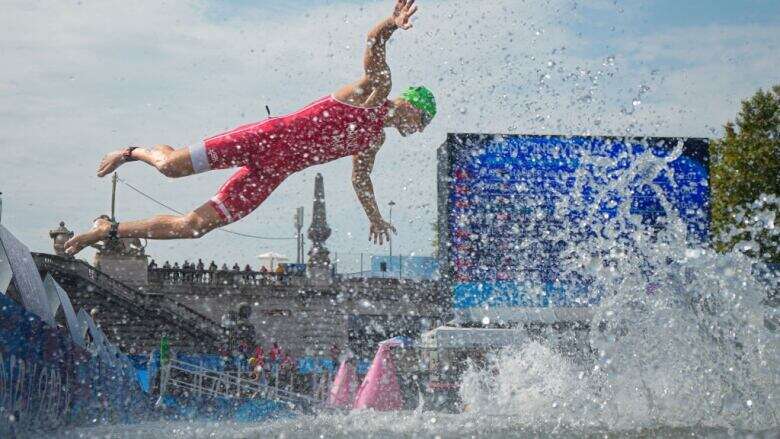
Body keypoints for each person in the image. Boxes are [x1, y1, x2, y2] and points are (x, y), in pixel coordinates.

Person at [64, 0, 434, 256]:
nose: (419, 129)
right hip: (264, 139)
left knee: (195, 227)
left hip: (275, 172)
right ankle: (132, 152)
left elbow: (361, 180)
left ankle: (107, 229)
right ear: (411, 104)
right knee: (169, 168)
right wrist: (392, 23)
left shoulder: (374, 139)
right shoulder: (376, 91)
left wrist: (375, 217)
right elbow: (374, 42)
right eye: (423, 120)